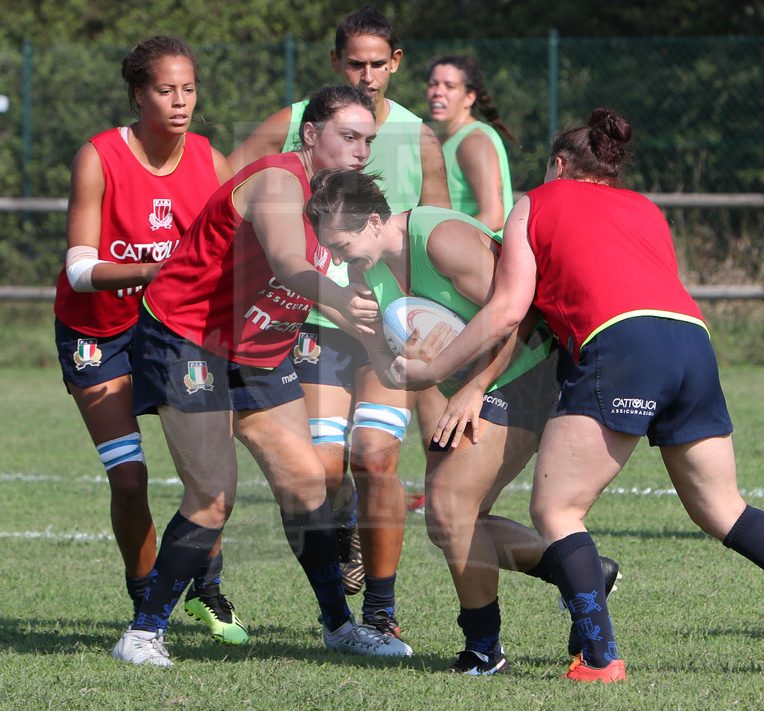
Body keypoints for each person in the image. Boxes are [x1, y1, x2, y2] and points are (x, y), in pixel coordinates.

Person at [386, 107, 764, 683]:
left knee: (557, 509)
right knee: (723, 509)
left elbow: (509, 310)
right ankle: (593, 647)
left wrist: (439, 372)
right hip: (691, 340)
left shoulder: (537, 201)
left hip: (620, 344)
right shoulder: (643, 207)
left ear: (558, 164)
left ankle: (598, 658)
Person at [111, 85, 413, 666]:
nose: (359, 151)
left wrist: (389, 347)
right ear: (309, 136)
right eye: (347, 137)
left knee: (306, 483)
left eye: (367, 141)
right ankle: (143, 633)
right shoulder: (278, 181)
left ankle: (339, 626)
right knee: (214, 494)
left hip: (260, 346)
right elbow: (289, 265)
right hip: (188, 338)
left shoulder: (338, 201)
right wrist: (346, 307)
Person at [305, 168, 619, 675]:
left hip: (529, 372)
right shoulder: (368, 269)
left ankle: (483, 650)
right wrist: (364, 333)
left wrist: (473, 388)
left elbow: (521, 312)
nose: (339, 261)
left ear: (376, 221)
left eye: (342, 247)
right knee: (448, 522)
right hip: (473, 391)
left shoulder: (440, 239)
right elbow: (396, 368)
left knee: (451, 510)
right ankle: (581, 573)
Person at [228, 4, 450, 640]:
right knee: (322, 473)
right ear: (335, 63)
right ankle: (343, 546)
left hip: (384, 326)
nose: (368, 74)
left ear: (396, 64)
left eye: (379, 63)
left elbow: (434, 231)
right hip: (315, 324)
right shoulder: (294, 124)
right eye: (355, 62)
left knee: (376, 457)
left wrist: (427, 325)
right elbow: (224, 185)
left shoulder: (418, 138)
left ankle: (381, 613)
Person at [53, 36, 245, 645]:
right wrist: (152, 271)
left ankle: (205, 587)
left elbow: (238, 248)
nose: (181, 101)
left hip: (177, 330)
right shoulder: (100, 156)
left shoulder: (210, 160)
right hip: (99, 331)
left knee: (207, 473)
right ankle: (145, 602)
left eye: (189, 88)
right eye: (166, 90)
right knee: (129, 478)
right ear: (139, 94)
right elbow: (81, 268)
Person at [426, 54, 518, 233]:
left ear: (469, 97)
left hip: (477, 257)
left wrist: (439, 243)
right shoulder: (433, 138)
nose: (438, 92)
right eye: (433, 84)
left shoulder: (474, 141)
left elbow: (493, 217)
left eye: (450, 86)